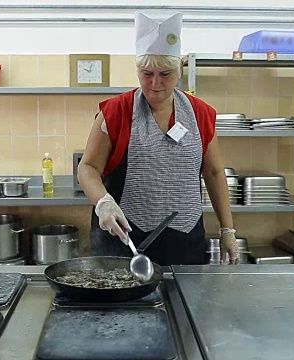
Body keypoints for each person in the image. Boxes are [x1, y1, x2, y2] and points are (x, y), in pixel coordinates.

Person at [77, 11, 239, 266]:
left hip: (185, 241)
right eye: (146, 73)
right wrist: (103, 202)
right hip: (125, 242)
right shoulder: (117, 111)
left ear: (179, 69)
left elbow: (215, 173)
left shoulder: (200, 114)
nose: (155, 83)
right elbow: (87, 167)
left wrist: (227, 230)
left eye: (165, 74)